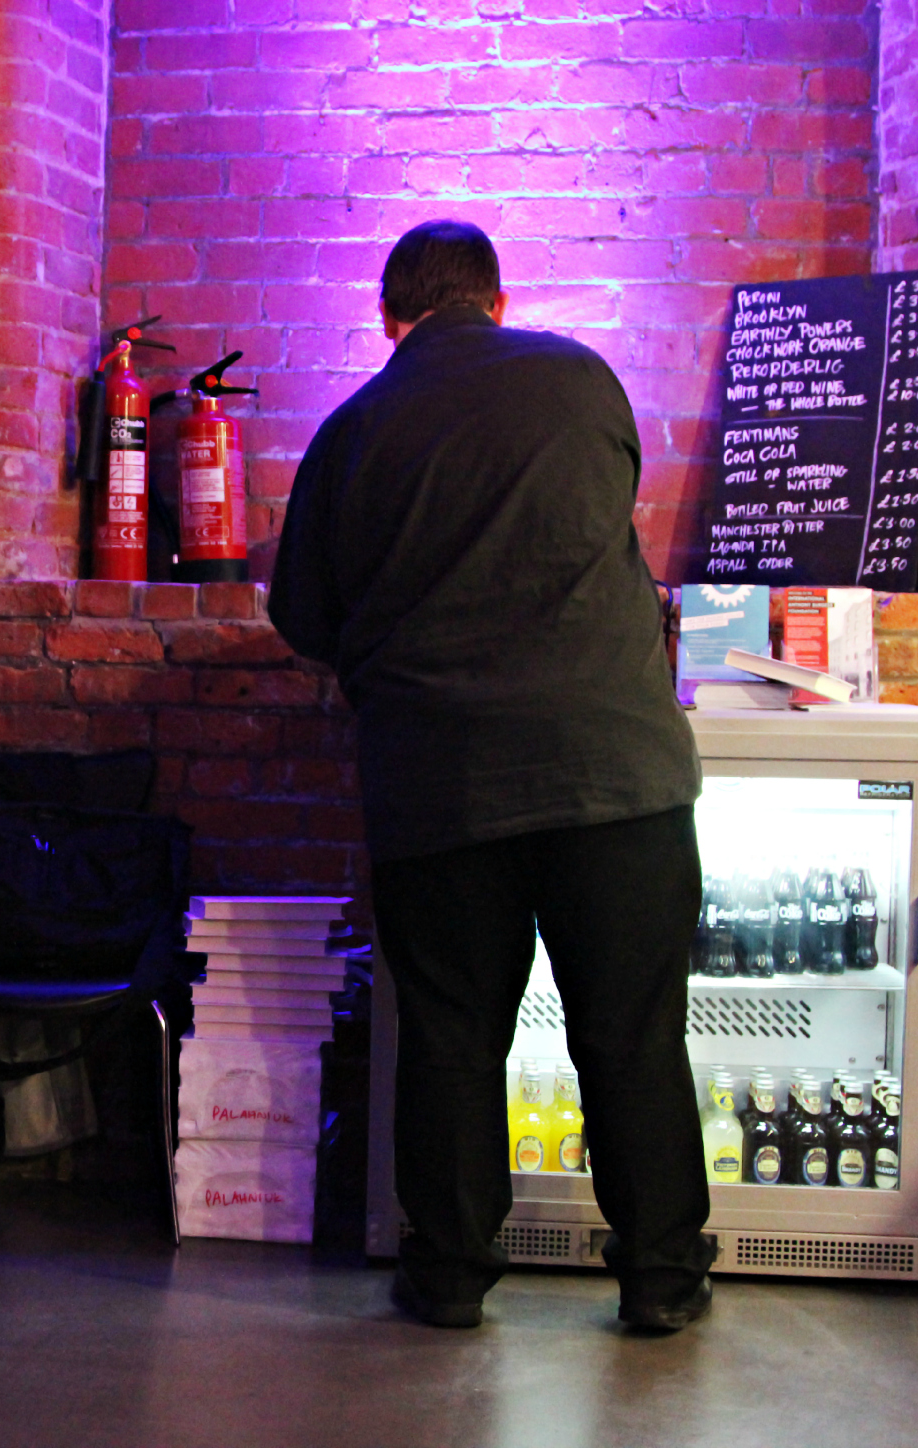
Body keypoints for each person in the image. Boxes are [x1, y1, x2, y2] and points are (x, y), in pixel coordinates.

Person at [267, 220, 712, 1332]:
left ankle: (451, 1275)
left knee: (456, 1034)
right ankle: (660, 1277)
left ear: (388, 320)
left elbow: (303, 617)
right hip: (615, 772)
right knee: (632, 1029)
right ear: (500, 302)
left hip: (439, 782)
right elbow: (606, 518)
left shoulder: (349, 430)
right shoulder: (580, 376)